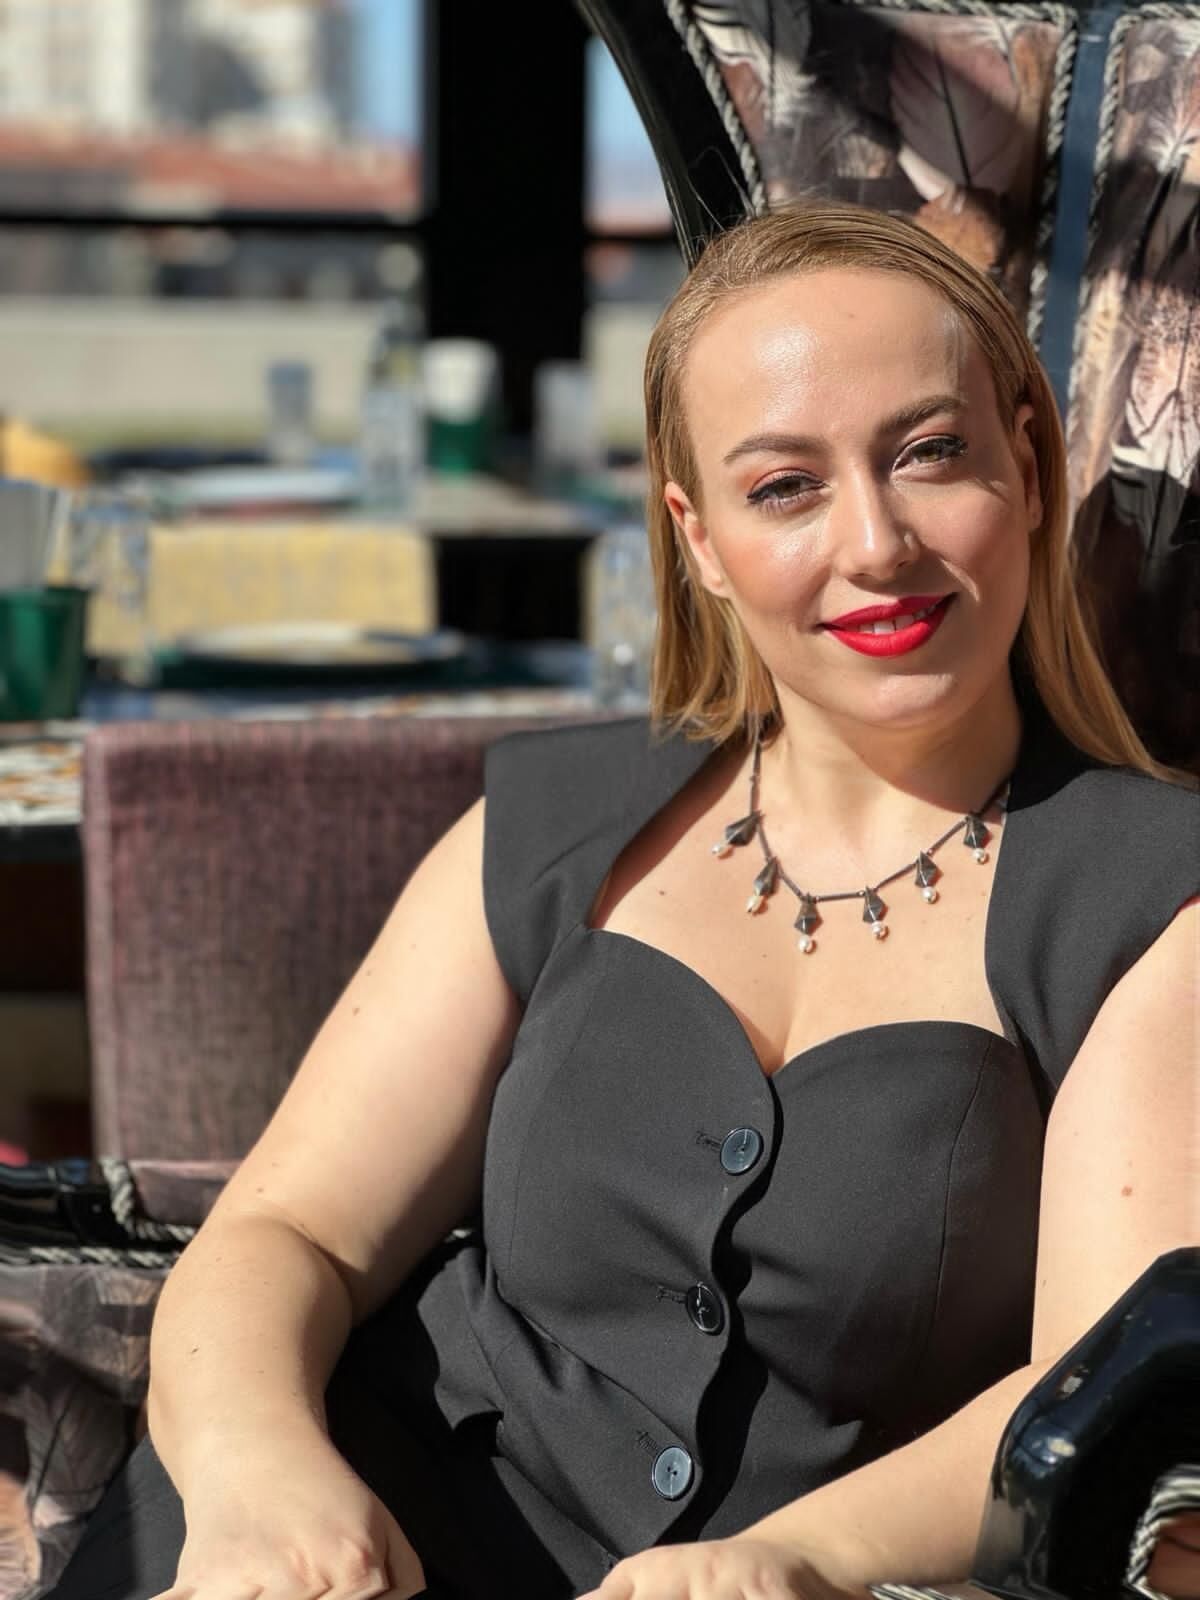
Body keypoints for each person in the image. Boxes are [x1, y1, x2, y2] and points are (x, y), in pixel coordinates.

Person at [54, 201, 1197, 1600]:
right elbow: (289, 1232)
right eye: (786, 487)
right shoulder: (554, 826)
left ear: (1024, 466)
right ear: (698, 537)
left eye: (929, 454)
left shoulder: (1151, 901)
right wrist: (258, 1478)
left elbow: (1102, 1392)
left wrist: (792, 1556)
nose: (876, 541)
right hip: (337, 1526)